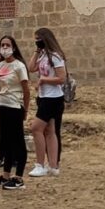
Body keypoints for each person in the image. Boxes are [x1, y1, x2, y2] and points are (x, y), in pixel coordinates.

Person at [0, 35, 30, 190]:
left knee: (17, 141)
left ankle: (18, 177)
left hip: (15, 106)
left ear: (13, 47)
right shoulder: (0, 66)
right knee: (5, 141)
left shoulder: (19, 66)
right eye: (2, 45)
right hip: (3, 105)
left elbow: (26, 89)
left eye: (7, 45)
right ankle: (5, 175)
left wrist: (25, 109)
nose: (5, 48)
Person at [27, 27, 67, 177]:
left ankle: (40, 164)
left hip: (53, 98)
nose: (37, 42)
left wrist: (43, 80)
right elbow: (31, 68)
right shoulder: (43, 55)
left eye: (39, 39)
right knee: (49, 130)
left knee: (36, 128)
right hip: (43, 97)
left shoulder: (55, 56)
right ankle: (53, 165)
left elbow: (61, 78)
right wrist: (37, 51)